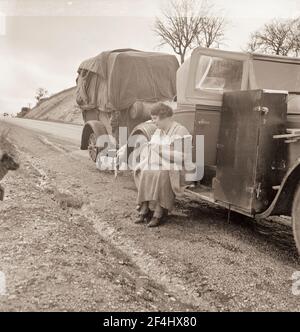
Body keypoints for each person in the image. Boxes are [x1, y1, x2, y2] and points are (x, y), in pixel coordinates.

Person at [133, 102, 194, 227]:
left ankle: (160, 212)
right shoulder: (158, 131)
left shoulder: (180, 130)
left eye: (155, 118)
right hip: (161, 164)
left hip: (178, 167)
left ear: (165, 117)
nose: (153, 122)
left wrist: (161, 151)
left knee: (162, 174)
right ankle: (145, 208)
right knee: (144, 171)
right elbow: (152, 152)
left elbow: (183, 157)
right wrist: (142, 164)